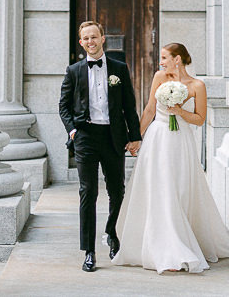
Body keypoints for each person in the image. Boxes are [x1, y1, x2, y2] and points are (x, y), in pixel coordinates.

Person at [111, 42, 229, 274]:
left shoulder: (197, 85)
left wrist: (179, 111)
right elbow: (150, 109)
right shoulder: (160, 76)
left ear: (177, 59)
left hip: (180, 140)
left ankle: (179, 241)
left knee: (177, 188)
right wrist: (137, 137)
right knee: (158, 188)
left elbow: (200, 119)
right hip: (158, 138)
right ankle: (161, 245)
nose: (161, 62)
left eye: (164, 57)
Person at [59, 20, 141, 272]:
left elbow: (129, 103)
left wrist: (135, 135)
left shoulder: (119, 68)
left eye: (95, 37)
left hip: (113, 136)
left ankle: (112, 233)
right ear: (81, 42)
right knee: (88, 192)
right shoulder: (73, 71)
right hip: (85, 137)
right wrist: (73, 131)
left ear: (102, 38)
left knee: (117, 190)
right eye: (86, 38)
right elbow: (63, 106)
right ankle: (89, 251)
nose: (91, 42)